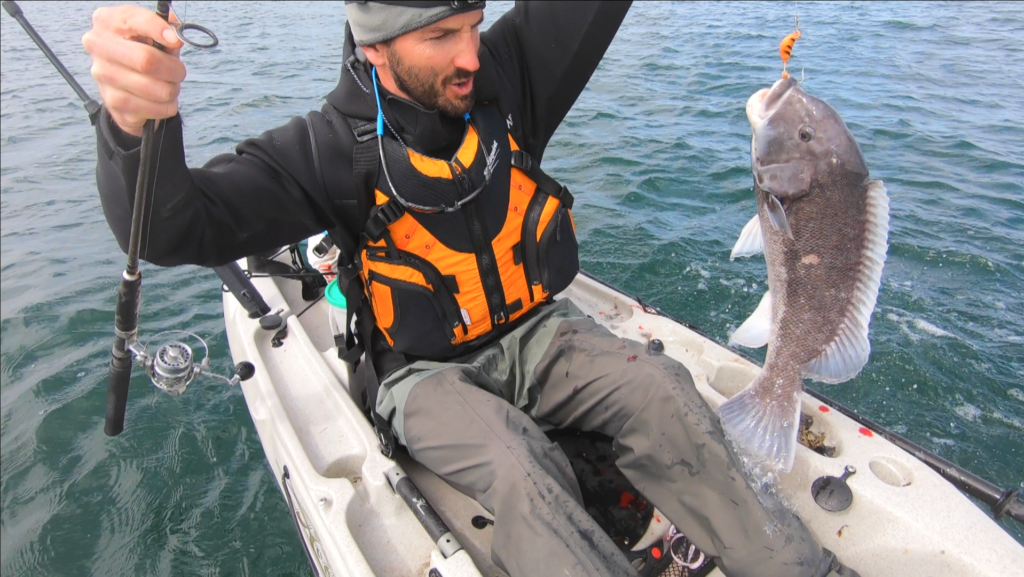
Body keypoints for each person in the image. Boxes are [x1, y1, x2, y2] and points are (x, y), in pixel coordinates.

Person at [84, 2, 858, 576]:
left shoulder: (506, 74)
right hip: (423, 372)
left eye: (473, 22)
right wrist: (131, 126)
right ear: (377, 49)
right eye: (441, 35)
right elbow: (168, 227)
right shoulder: (322, 150)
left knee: (660, 386)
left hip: (539, 330)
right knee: (520, 466)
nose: (471, 54)